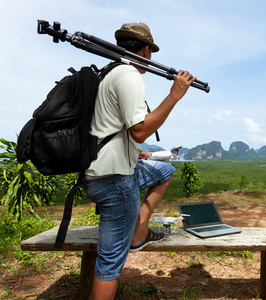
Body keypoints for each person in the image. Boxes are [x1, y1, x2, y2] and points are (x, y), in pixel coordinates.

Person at [83, 22, 195, 300]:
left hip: (109, 169)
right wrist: (174, 95)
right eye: (150, 52)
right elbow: (140, 129)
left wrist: (138, 152)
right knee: (109, 263)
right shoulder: (128, 75)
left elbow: (117, 129)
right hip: (114, 180)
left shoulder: (110, 73)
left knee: (165, 168)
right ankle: (134, 237)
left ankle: (138, 231)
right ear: (145, 49)